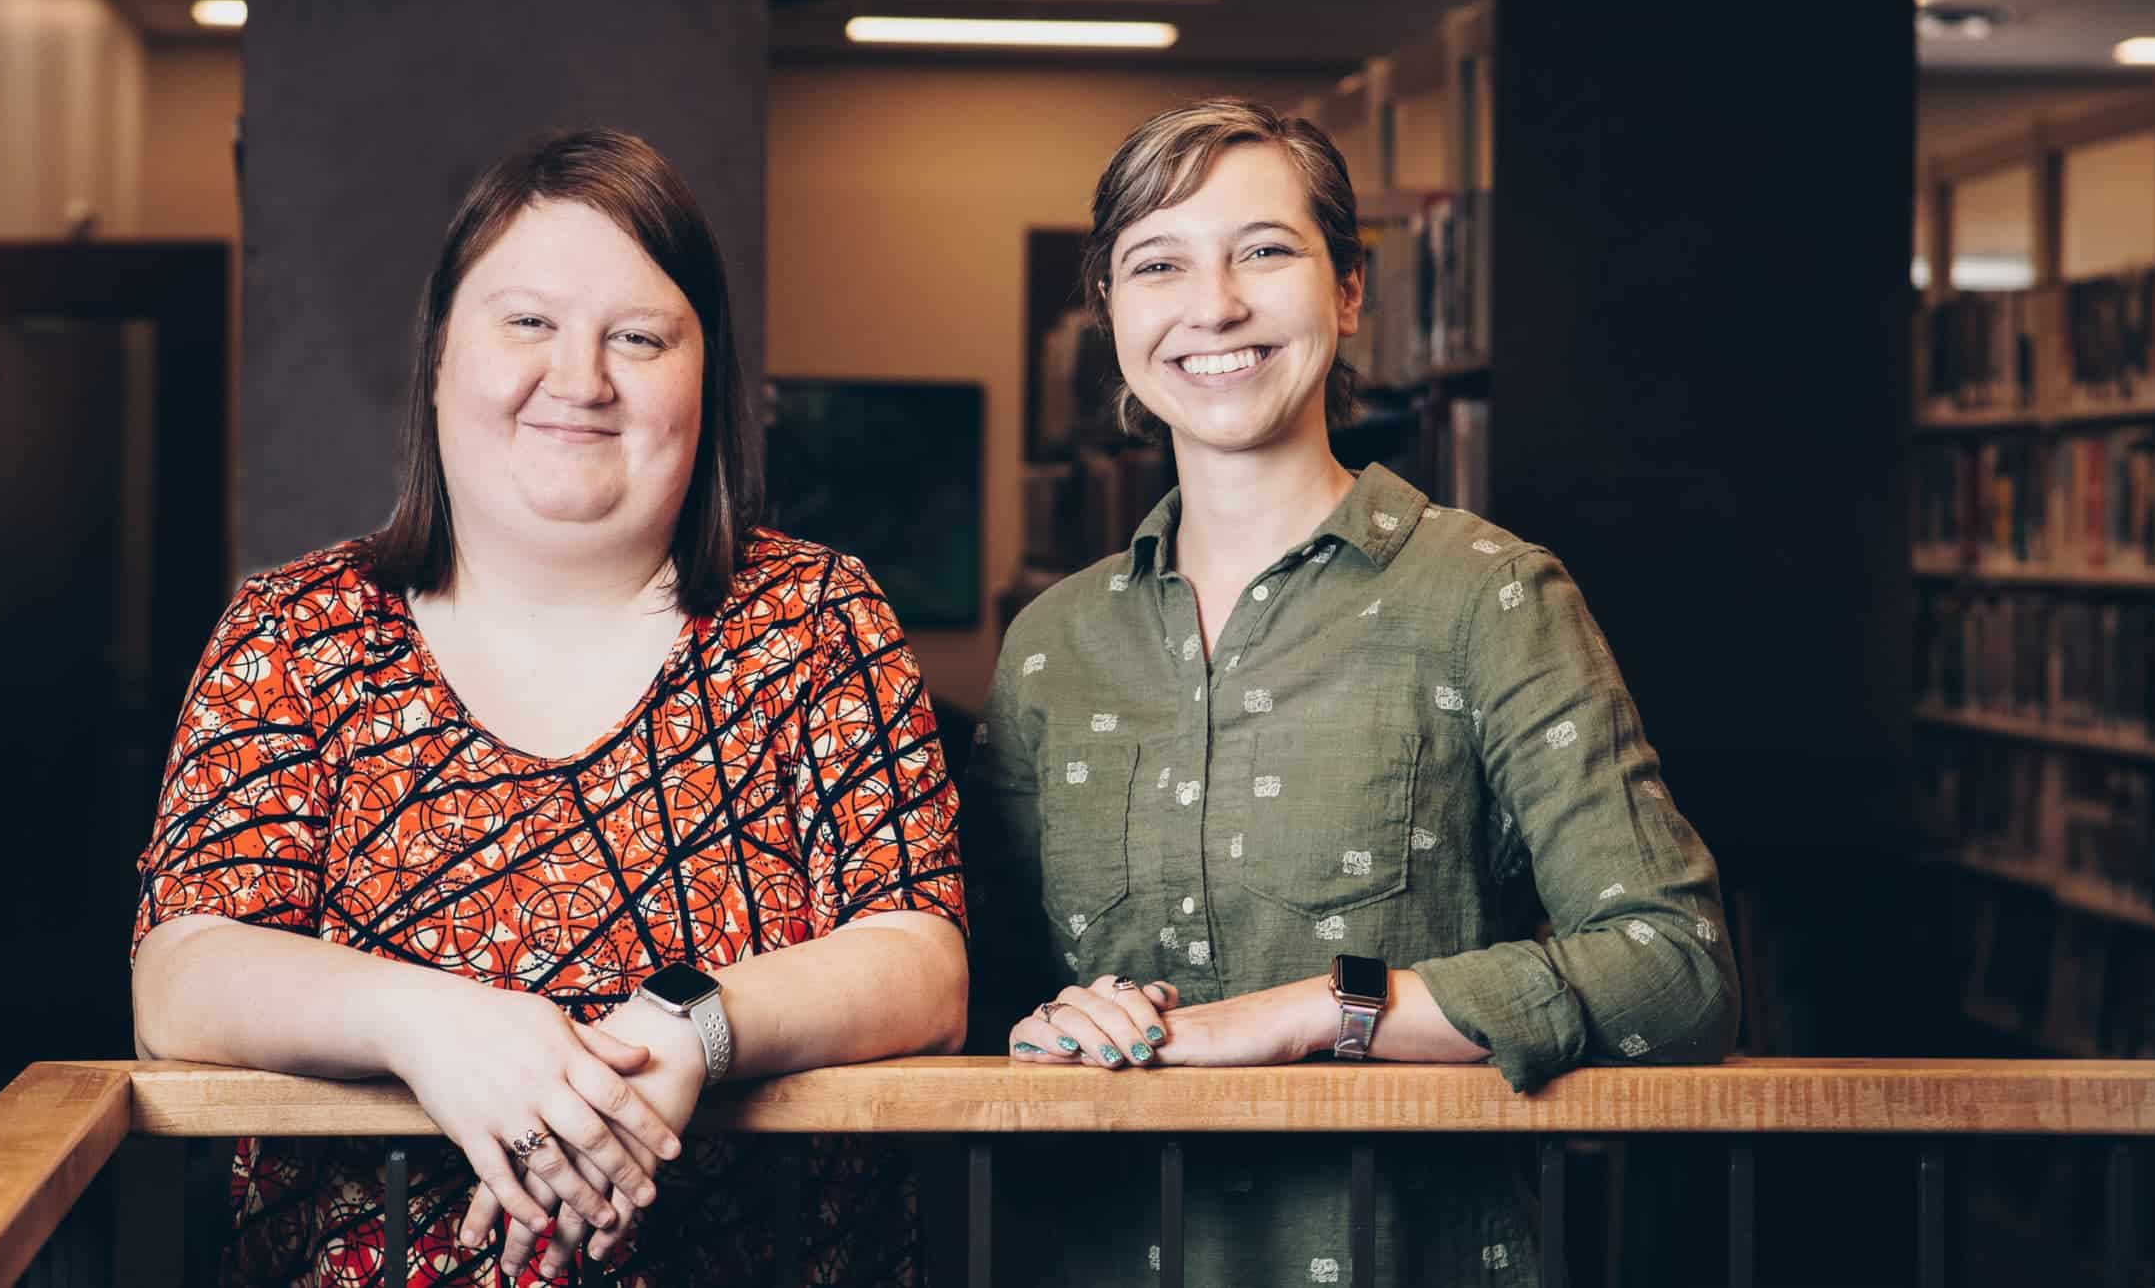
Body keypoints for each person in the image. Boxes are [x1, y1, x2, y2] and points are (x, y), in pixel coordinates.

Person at [132, 130, 967, 1288]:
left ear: (706, 380)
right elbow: (184, 973)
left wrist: (695, 1028)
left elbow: (920, 960)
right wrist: (436, 1025)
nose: (580, 378)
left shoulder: (814, 619)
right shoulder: (297, 630)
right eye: (528, 323)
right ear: (438, 359)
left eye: (639, 336)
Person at [965, 99, 1737, 1286]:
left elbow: (1674, 972)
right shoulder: (1049, 645)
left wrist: (1329, 1007)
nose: (1213, 304)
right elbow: (991, 995)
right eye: (1157, 263)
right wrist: (1038, 1022)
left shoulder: (1487, 595)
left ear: (1349, 290)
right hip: (1100, 1259)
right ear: (1111, 311)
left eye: (1264, 250)